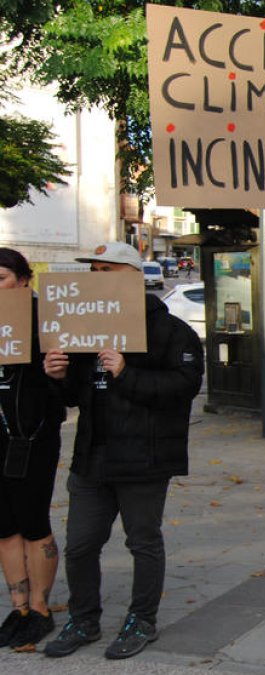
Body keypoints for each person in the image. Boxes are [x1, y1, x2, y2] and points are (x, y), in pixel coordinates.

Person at [42, 242, 204, 660]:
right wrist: (59, 377)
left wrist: (127, 373)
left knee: (143, 543)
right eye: (92, 271)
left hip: (145, 460)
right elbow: (79, 395)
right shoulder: (85, 330)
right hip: (92, 458)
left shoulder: (173, 332)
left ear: (131, 277)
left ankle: (141, 620)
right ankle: (84, 618)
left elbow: (182, 389)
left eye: (105, 270)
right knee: (79, 544)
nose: (96, 279)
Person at [0, 248, 65, 652]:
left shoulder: (47, 320)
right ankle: (18, 607)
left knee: (33, 522)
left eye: (1, 278)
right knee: (5, 527)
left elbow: (65, 388)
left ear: (24, 280)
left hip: (33, 437)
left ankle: (40, 607)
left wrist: (52, 368)